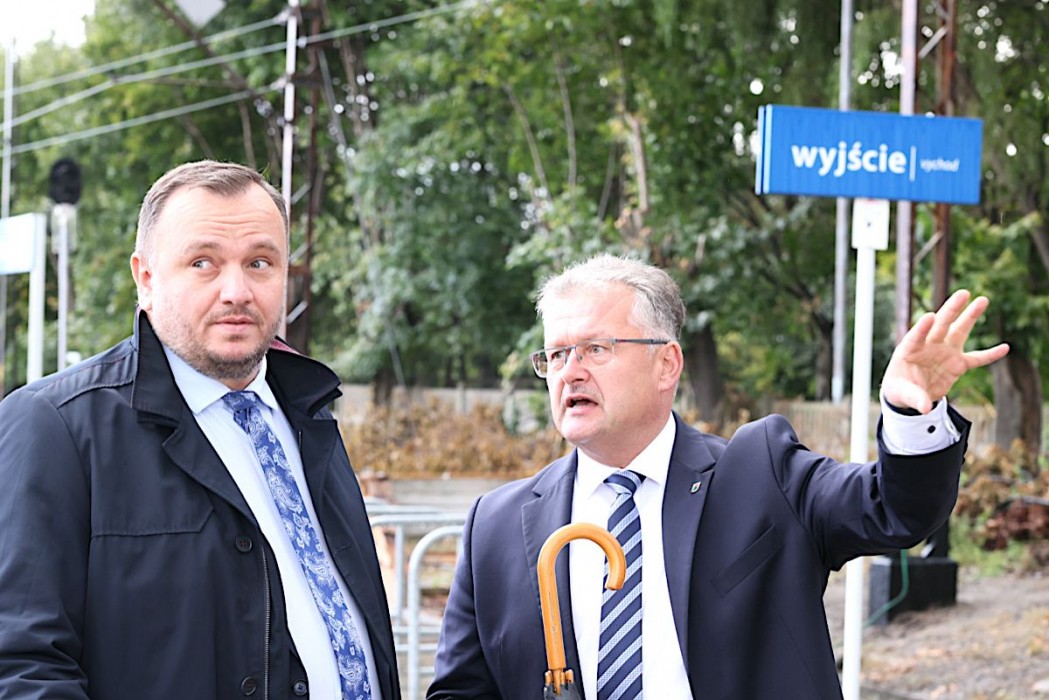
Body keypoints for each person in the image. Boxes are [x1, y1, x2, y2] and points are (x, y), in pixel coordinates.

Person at [427, 253, 1010, 700]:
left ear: (666, 364)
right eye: (556, 355)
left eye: (595, 349)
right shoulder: (494, 526)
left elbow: (894, 510)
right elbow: (460, 691)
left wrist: (909, 413)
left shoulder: (761, 475)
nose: (569, 372)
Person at [0, 161, 400, 700]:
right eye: (203, 263)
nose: (237, 290)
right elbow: (22, 667)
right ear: (145, 278)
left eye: (259, 262)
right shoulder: (58, 428)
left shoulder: (310, 417)